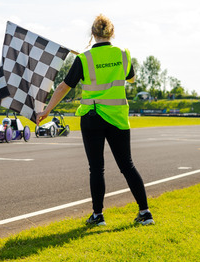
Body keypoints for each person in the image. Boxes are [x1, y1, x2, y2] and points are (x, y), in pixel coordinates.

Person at [36, 14, 154, 226]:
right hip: (117, 118)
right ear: (112, 32)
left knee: (96, 168)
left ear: (93, 34)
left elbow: (63, 87)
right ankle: (145, 213)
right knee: (127, 165)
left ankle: (98, 216)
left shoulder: (84, 58)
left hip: (92, 118)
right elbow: (131, 77)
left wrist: (47, 110)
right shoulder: (124, 54)